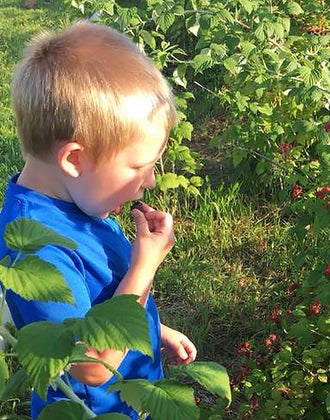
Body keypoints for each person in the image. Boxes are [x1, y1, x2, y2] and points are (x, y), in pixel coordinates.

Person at [0, 20, 197, 418]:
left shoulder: (81, 202)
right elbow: (90, 366)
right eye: (139, 166)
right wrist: (145, 267)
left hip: (130, 396)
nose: (151, 181)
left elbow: (102, 299)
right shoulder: (37, 250)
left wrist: (156, 332)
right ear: (75, 159)